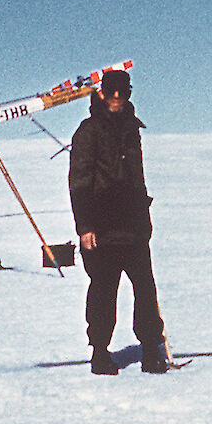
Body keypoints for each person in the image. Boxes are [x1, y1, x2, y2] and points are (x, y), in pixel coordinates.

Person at [69, 69, 171, 374]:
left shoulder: (132, 128)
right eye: (111, 92)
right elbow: (79, 182)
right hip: (101, 228)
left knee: (145, 289)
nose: (117, 98)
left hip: (133, 225)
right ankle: (100, 353)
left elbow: (138, 178)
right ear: (102, 93)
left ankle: (151, 349)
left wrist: (144, 218)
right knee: (103, 291)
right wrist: (85, 226)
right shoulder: (88, 131)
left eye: (122, 93)